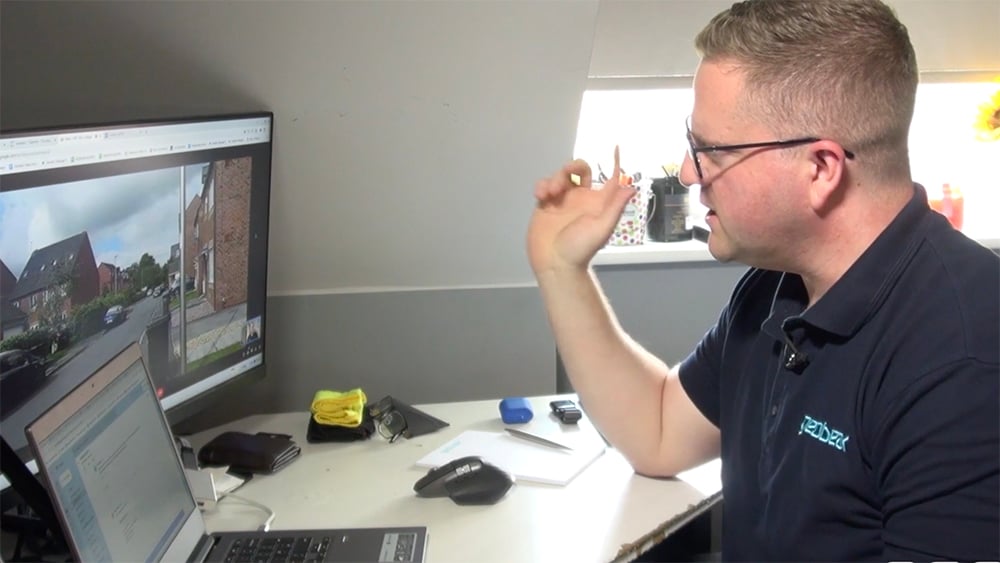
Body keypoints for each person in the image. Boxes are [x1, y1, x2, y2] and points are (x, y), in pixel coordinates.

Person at [526, 0, 999, 560]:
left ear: (820, 169)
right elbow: (658, 432)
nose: (687, 173)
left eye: (709, 150)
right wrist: (561, 268)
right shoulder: (776, 288)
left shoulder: (966, 364)